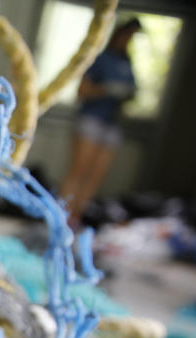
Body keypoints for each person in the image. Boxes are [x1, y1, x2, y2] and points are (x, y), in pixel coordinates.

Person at [59, 17, 141, 227]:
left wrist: (125, 94)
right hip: (91, 119)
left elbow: (132, 92)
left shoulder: (127, 63)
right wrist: (106, 90)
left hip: (111, 124)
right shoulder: (101, 58)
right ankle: (60, 215)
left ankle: (77, 218)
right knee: (78, 170)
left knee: (95, 175)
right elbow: (82, 91)